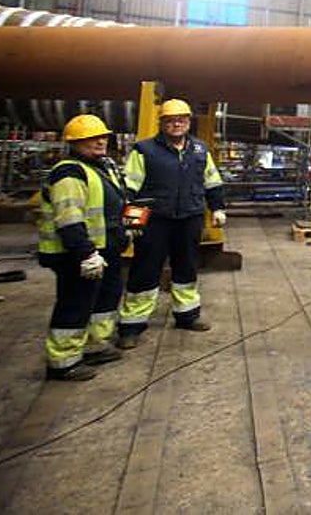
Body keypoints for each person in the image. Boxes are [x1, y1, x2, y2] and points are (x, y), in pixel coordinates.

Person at [118, 99, 226, 347]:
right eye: (170, 120)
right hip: (155, 221)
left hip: (189, 218)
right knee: (145, 270)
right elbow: (130, 189)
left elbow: (212, 181)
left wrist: (217, 207)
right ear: (162, 122)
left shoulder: (200, 149)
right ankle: (131, 327)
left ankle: (187, 315)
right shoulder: (144, 150)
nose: (176, 123)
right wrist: (131, 223)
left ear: (189, 121)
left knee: (187, 268)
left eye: (181, 119)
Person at [38, 115, 127, 380]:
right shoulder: (69, 172)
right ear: (74, 142)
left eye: (102, 136)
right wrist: (86, 254)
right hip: (76, 253)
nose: (99, 141)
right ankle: (63, 362)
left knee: (105, 297)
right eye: (90, 138)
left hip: (104, 248)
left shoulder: (102, 166)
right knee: (75, 303)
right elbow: (69, 218)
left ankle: (95, 346)